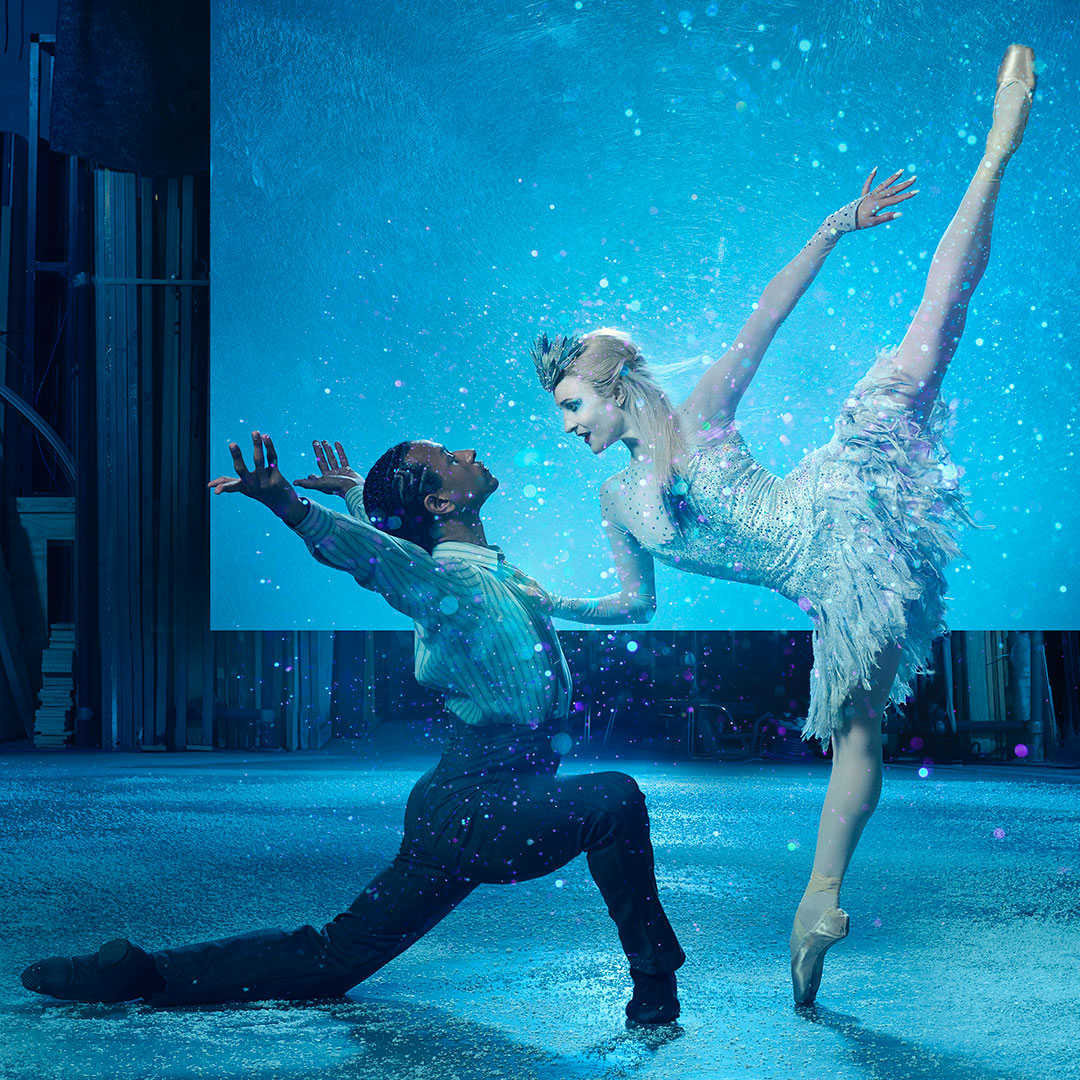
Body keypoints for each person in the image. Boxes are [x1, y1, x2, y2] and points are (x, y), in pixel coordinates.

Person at [529, 45, 1036, 1005]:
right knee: (856, 737)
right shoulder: (614, 503)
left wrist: (834, 227)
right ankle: (819, 903)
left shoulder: (699, 412)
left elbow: (765, 314)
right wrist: (555, 605)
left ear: (609, 386)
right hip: (835, 586)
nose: (568, 426)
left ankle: (996, 152)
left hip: (844, 494)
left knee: (938, 325)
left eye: (570, 405)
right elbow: (634, 605)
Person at [20, 432, 685, 1022]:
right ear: (441, 504)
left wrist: (639, 521)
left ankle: (141, 970)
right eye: (451, 459)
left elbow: (632, 605)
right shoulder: (445, 579)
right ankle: (654, 983)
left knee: (336, 959)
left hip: (471, 805)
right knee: (613, 799)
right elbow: (383, 563)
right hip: (477, 803)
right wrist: (292, 508)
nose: (470, 456)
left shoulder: (506, 579)